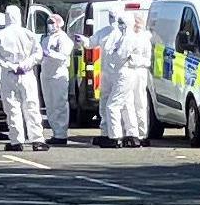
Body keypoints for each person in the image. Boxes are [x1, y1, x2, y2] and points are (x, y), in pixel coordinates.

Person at [0, 5, 48, 152]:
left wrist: (10, 66)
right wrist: (25, 64)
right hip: (27, 74)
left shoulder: (0, 36)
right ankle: (37, 140)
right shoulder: (28, 34)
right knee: (31, 106)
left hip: (9, 75)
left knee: (12, 108)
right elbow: (38, 54)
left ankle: (16, 141)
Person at [75, 8, 119, 145]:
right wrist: (82, 40)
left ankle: (116, 134)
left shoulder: (124, 34)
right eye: (111, 16)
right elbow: (91, 43)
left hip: (120, 74)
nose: (112, 19)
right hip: (106, 73)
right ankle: (106, 132)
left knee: (116, 105)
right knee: (104, 103)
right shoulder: (104, 32)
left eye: (114, 16)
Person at [101, 12, 139, 148]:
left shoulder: (127, 38)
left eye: (122, 22)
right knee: (126, 104)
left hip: (124, 73)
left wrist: (112, 54)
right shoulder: (124, 37)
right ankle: (132, 135)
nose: (120, 25)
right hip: (122, 72)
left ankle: (115, 136)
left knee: (112, 105)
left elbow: (119, 56)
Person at [40, 14, 74, 145]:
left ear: (60, 23)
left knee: (59, 104)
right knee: (50, 105)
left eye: (53, 22)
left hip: (58, 75)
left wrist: (49, 53)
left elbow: (63, 56)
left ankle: (61, 134)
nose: (50, 24)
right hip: (47, 74)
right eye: (49, 22)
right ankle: (56, 133)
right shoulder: (46, 39)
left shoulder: (63, 39)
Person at [130, 13, 153, 146]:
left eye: (137, 23)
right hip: (130, 72)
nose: (136, 25)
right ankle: (132, 132)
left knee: (140, 103)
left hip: (139, 72)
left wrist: (132, 59)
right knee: (129, 104)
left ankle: (142, 133)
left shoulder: (145, 38)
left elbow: (147, 60)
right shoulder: (131, 37)